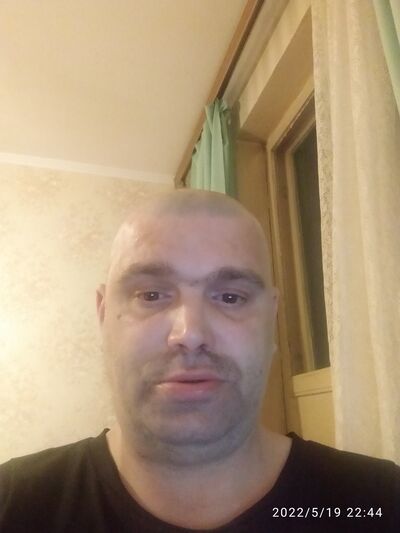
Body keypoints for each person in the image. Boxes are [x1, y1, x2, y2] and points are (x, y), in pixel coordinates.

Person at [0, 189, 399, 532]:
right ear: (103, 315)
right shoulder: (14, 504)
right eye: (151, 295)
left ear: (272, 319)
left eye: (231, 297)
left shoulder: (379, 500)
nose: (190, 333)